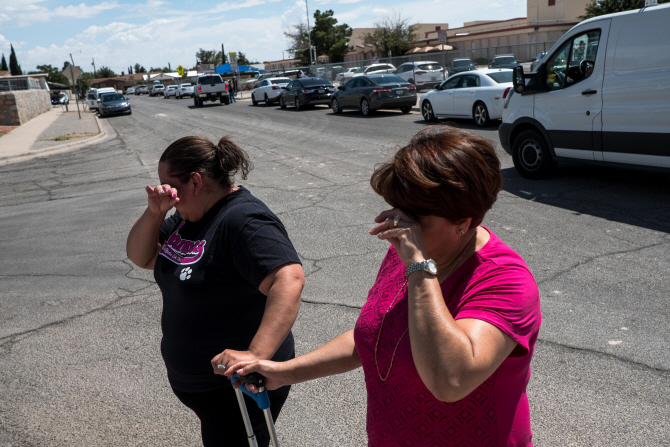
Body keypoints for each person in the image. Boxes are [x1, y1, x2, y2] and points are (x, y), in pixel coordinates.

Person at [223, 126, 542, 446]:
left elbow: (450, 380)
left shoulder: (504, 279)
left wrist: (418, 267)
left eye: (415, 216)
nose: (398, 224)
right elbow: (374, 334)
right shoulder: (407, 251)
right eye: (399, 209)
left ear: (465, 221)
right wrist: (283, 372)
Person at [126, 135, 304, 447]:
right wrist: (155, 212)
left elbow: (289, 279)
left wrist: (255, 356)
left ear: (195, 182)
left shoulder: (243, 220)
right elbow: (142, 257)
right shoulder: (187, 218)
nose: (165, 193)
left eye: (170, 186)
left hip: (237, 390)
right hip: (209, 393)